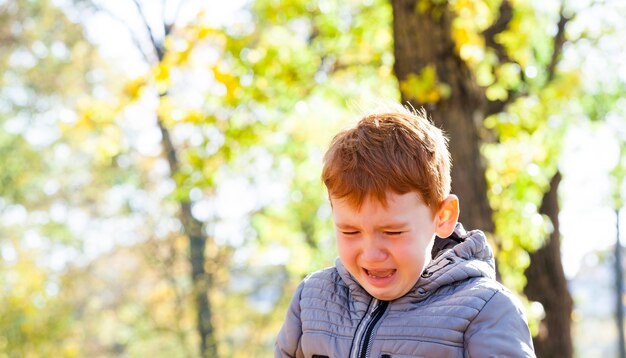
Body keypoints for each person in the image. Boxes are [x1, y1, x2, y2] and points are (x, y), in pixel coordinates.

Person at [275, 103, 535, 358]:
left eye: (392, 232)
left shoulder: (483, 311)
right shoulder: (312, 300)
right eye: (350, 232)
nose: (372, 255)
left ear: (442, 217)